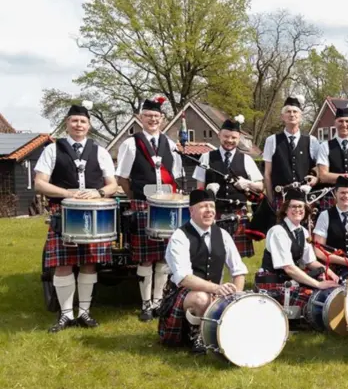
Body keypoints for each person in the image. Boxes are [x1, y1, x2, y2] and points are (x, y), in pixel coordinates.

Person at [35, 100, 119, 332]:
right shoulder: (52, 149)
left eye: (83, 121)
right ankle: (65, 315)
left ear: (89, 125)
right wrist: (68, 193)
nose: (78, 125)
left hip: (93, 215)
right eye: (74, 121)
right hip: (63, 213)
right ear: (67, 123)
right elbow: (39, 183)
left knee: (89, 264)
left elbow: (113, 185)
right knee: (63, 264)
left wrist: (99, 193)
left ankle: (84, 312)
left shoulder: (100, 151)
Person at [115, 96, 184, 321]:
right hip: (142, 203)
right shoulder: (130, 143)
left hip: (166, 205)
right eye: (148, 116)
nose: (153, 119)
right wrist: (135, 198)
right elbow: (122, 178)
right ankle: (145, 304)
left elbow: (176, 176)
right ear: (140, 118)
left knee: (164, 257)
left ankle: (158, 302)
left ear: (162, 119)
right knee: (144, 258)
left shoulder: (170, 145)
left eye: (156, 116)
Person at [157, 188, 248, 354]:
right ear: (191, 210)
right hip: (184, 293)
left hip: (215, 292)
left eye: (212, 206)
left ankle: (219, 332)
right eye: (203, 206)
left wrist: (235, 297)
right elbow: (184, 278)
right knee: (201, 298)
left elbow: (239, 270)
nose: (209, 211)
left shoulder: (223, 234)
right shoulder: (180, 236)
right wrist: (217, 288)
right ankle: (196, 335)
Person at [193, 114, 263, 258]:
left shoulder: (246, 159)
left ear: (239, 138)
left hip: (238, 214)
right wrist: (207, 192)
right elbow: (199, 189)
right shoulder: (206, 157)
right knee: (212, 256)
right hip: (213, 213)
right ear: (219, 135)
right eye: (226, 136)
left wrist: (248, 183)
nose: (229, 140)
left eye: (233, 137)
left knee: (237, 259)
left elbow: (260, 187)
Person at [262, 96, 320, 206]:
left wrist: (316, 178)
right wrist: (271, 199)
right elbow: (267, 173)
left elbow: (320, 167)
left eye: (295, 111)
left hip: (305, 198)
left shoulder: (312, 141)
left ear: (301, 116)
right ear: (282, 117)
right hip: (281, 198)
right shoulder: (272, 140)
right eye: (288, 112)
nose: (292, 114)